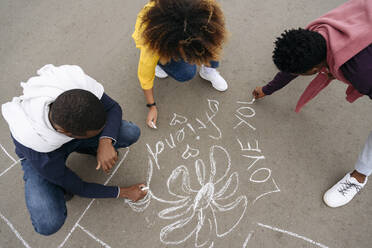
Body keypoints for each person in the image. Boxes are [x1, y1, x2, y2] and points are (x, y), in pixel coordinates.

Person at [1, 64, 147, 235]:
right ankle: (58, 185)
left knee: (129, 132)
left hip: (69, 138)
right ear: (68, 134)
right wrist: (123, 192)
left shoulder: (72, 86)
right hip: (40, 155)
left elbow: (113, 108)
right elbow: (80, 187)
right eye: (94, 134)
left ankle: (91, 147)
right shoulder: (36, 142)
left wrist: (105, 141)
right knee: (48, 222)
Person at [252, 0, 372, 208]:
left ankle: (360, 175)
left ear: (317, 69)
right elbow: (292, 69)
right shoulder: (319, 31)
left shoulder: (360, 72)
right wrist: (267, 89)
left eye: (300, 73)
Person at [132, 0, 228, 128]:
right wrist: (151, 106)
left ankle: (208, 71)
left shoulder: (204, 10)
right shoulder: (152, 42)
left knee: (211, 40)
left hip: (192, 28)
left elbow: (214, 34)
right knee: (186, 73)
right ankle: (160, 64)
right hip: (162, 41)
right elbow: (145, 77)